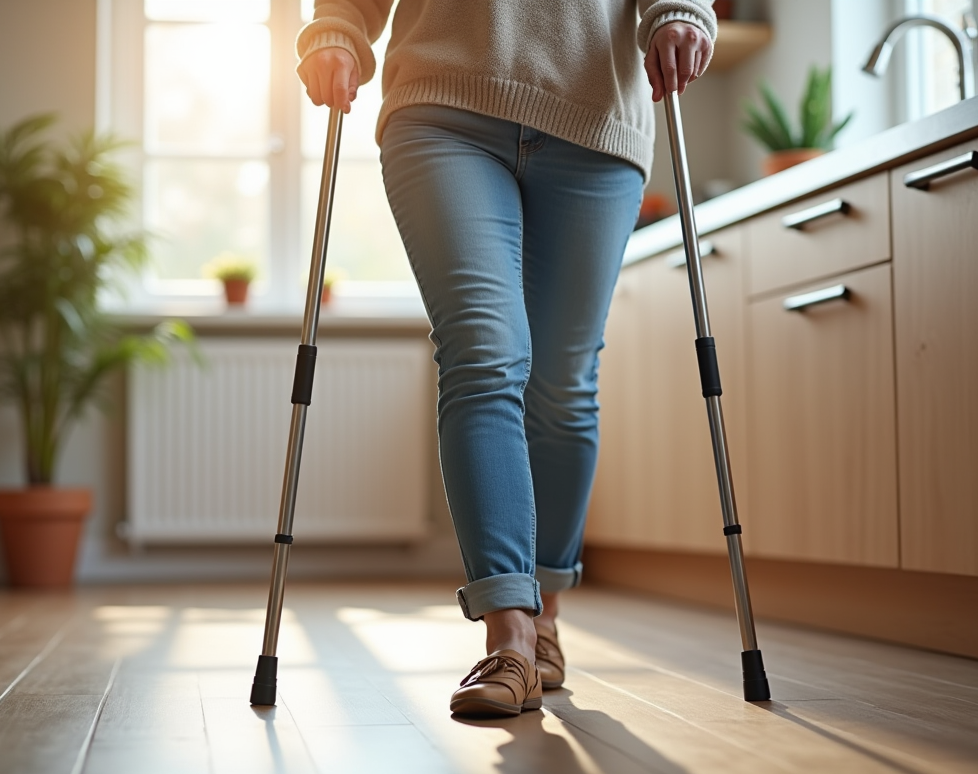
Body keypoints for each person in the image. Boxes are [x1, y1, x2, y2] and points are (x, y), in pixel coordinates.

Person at [297, 0, 715, 717]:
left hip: (596, 118)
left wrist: (683, 9)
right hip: (442, 103)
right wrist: (337, 29)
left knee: (563, 383)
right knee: (484, 356)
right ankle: (509, 634)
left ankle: (544, 617)